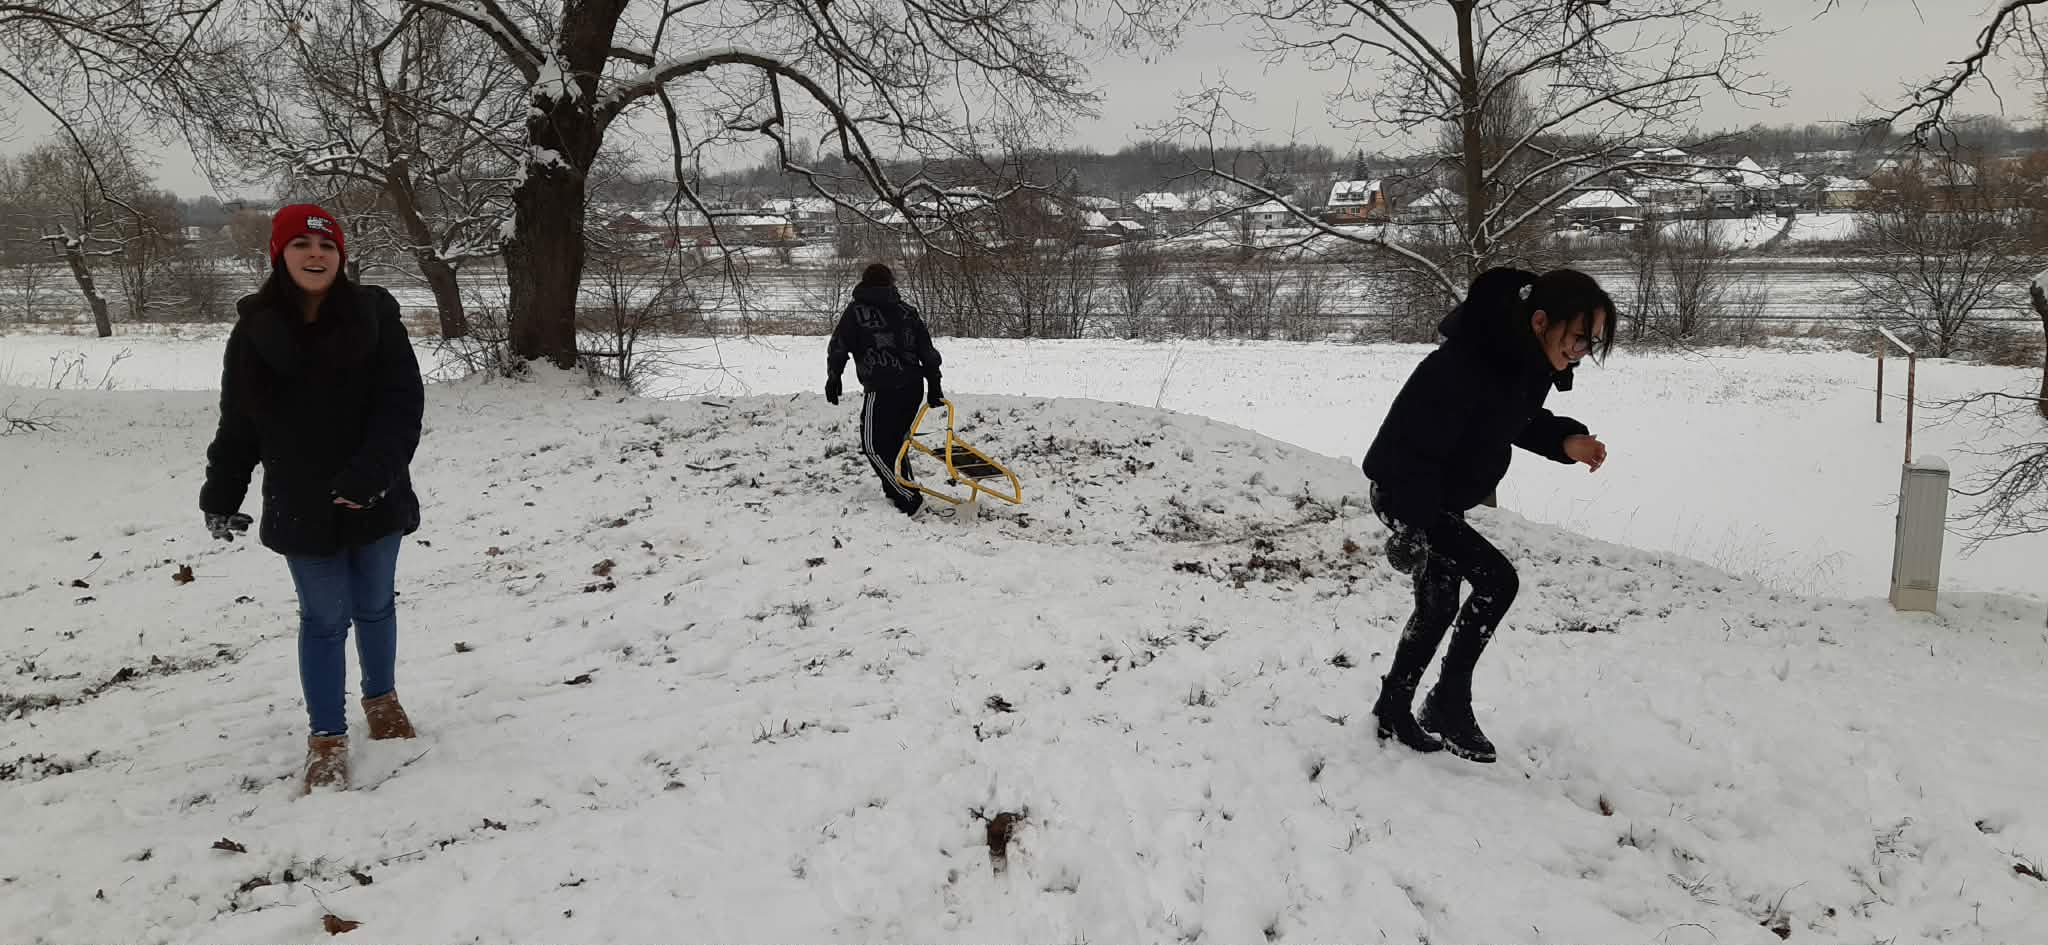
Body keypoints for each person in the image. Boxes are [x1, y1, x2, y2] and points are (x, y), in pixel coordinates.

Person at [199, 204, 425, 795]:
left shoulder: (375, 316)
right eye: (301, 244)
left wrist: (371, 475)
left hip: (374, 492)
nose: (315, 254)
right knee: (324, 619)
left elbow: (402, 406)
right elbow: (239, 421)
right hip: (300, 498)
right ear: (280, 255)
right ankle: (327, 740)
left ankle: (382, 701)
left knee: (375, 605)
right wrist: (222, 492)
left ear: (340, 255)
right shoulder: (255, 330)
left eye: (326, 245)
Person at [1362, 267, 1615, 763]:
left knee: (1438, 606)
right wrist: (1415, 528)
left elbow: (1515, 419)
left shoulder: (1520, 363)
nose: (1582, 351)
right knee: (1498, 581)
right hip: (1406, 492)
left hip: (1438, 500)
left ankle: (1392, 710)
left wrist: (1565, 441)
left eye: (1593, 342)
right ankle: (1447, 702)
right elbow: (1409, 447)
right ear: (1541, 321)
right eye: (1580, 337)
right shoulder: (1467, 365)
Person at [825, 263, 945, 515]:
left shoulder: (856, 312)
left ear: (864, 282)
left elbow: (839, 346)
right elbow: (927, 351)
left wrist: (834, 376)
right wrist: (934, 384)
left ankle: (907, 498)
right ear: (891, 282)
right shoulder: (906, 311)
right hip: (912, 387)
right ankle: (903, 489)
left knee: (873, 445)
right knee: (896, 443)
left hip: (880, 388)